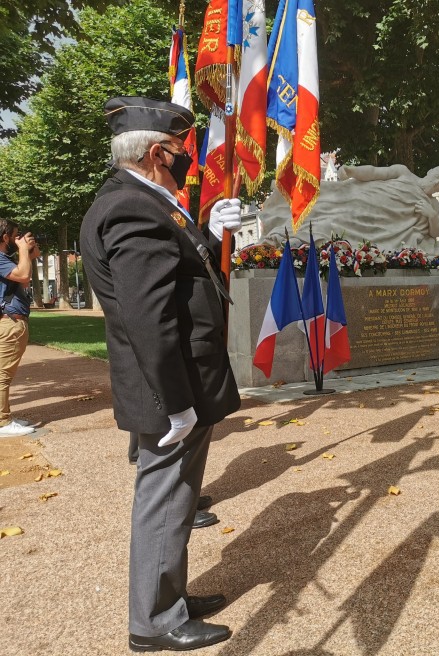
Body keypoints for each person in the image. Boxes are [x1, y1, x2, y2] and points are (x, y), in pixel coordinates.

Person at [80, 97, 242, 652]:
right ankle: (153, 621)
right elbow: (149, 316)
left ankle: (168, 596)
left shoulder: (146, 201)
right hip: (172, 385)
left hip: (181, 378)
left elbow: (183, 274)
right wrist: (176, 403)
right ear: (156, 153)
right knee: (166, 497)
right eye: (178, 150)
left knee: (178, 494)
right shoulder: (133, 207)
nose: (186, 160)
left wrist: (212, 233)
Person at [259, 163, 439, 253]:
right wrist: (353, 171)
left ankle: (294, 239)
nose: (436, 183)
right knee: (326, 205)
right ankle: (283, 230)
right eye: (437, 177)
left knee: (335, 223)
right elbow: (375, 172)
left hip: (380, 224)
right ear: (430, 171)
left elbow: (434, 232)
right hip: (365, 197)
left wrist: (432, 216)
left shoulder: (433, 205)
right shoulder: (404, 172)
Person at [0, 219, 40, 436]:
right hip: (9, 322)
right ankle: (2, 423)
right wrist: (23, 249)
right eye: (15, 236)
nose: (18, 240)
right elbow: (24, 275)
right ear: (5, 237)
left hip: (10, 321)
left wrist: (29, 254)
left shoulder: (5, 260)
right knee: (2, 375)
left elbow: (23, 280)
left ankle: (4, 417)